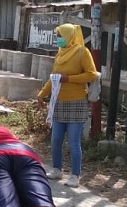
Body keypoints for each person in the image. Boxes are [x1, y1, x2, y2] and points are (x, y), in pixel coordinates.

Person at [36, 23, 99, 188]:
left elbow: (91, 74)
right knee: (55, 139)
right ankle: (57, 169)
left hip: (76, 103)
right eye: (57, 36)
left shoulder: (81, 52)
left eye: (60, 36)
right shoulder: (60, 54)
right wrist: (41, 95)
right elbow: (54, 78)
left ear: (69, 36)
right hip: (59, 103)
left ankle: (75, 175)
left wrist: (69, 79)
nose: (58, 39)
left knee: (73, 141)